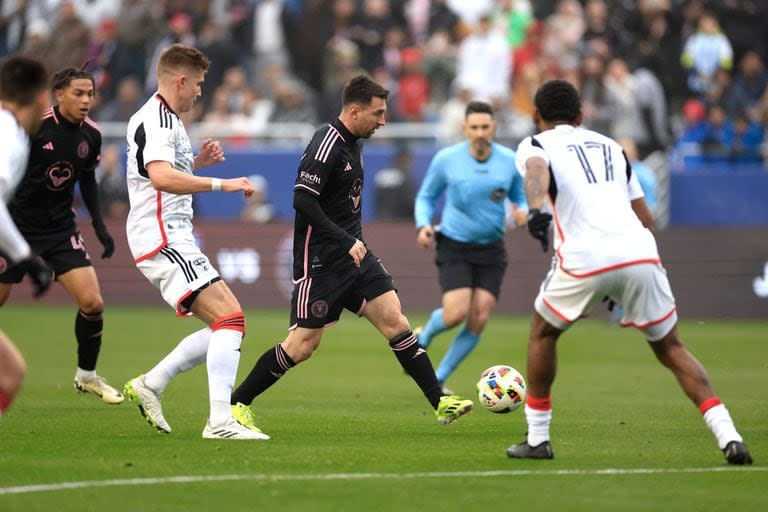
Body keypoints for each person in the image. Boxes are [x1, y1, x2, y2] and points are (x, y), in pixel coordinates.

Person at [507, 79, 752, 465]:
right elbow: (646, 217)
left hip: (585, 255)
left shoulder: (535, 144)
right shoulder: (612, 147)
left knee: (543, 332)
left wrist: (536, 211)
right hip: (639, 251)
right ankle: (729, 435)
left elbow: (536, 169)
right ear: (581, 115)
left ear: (536, 115)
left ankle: (538, 438)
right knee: (672, 348)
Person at [229, 75, 474, 432]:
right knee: (301, 345)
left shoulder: (356, 142)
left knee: (396, 320)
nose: (383, 121)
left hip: (356, 257)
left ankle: (440, 402)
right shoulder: (325, 143)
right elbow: (301, 200)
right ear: (354, 110)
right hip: (321, 262)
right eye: (377, 113)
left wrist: (351, 242)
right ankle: (237, 404)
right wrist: (344, 239)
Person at [122, 44, 264, 440]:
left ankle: (153, 383)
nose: (201, 91)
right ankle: (219, 422)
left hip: (170, 235)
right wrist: (224, 183)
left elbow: (160, 173)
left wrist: (196, 163)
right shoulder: (160, 121)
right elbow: (162, 178)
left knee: (228, 323)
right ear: (180, 81)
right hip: (163, 236)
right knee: (230, 319)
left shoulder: (165, 119)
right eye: (198, 84)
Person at [0, 65, 123, 404]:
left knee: (92, 302)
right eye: (78, 93)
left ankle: (87, 376)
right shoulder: (32, 127)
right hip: (13, 228)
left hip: (58, 229)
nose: (86, 100)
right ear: (58, 95)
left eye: (90, 94)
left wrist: (98, 225)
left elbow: (87, 180)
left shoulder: (92, 135)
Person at [414, 100, 527, 392]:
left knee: (479, 317)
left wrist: (522, 210)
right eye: (474, 127)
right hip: (454, 244)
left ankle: (438, 379)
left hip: (491, 248)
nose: (479, 133)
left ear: (494, 128)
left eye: (485, 127)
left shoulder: (508, 160)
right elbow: (426, 196)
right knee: (455, 314)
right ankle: (424, 336)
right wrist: (424, 225)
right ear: (464, 129)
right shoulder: (446, 159)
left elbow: (520, 196)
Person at [0, 56, 53, 418]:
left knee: (11, 372)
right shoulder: (11, 136)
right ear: (39, 99)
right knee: (10, 373)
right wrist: (25, 257)